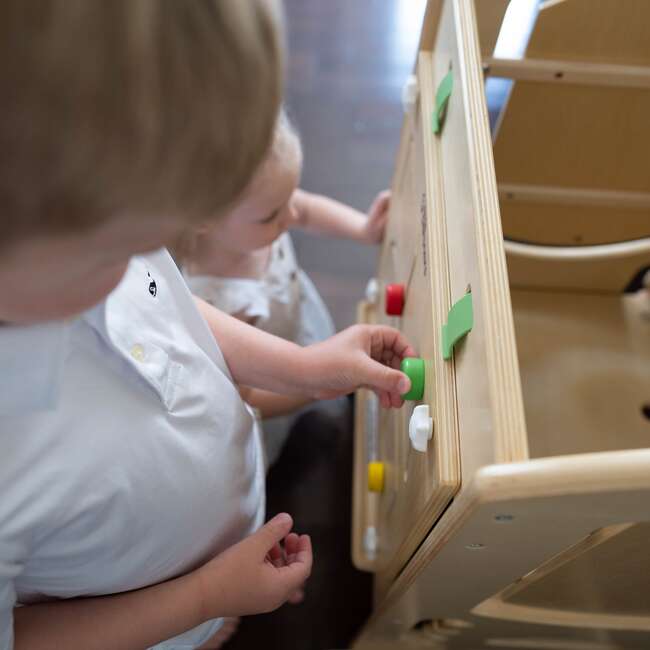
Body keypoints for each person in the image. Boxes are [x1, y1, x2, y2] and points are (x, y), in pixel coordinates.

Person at [0, 3, 414, 648]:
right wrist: (203, 598)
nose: (150, 258)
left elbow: (171, 311)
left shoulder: (73, 232)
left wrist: (305, 367)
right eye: (126, 248)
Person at [181, 111, 391, 466]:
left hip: (297, 323)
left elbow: (306, 209)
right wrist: (317, 387)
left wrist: (363, 229)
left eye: (291, 196)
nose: (292, 216)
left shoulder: (268, 205)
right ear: (202, 220)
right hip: (280, 385)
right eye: (271, 216)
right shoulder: (218, 306)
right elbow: (251, 393)